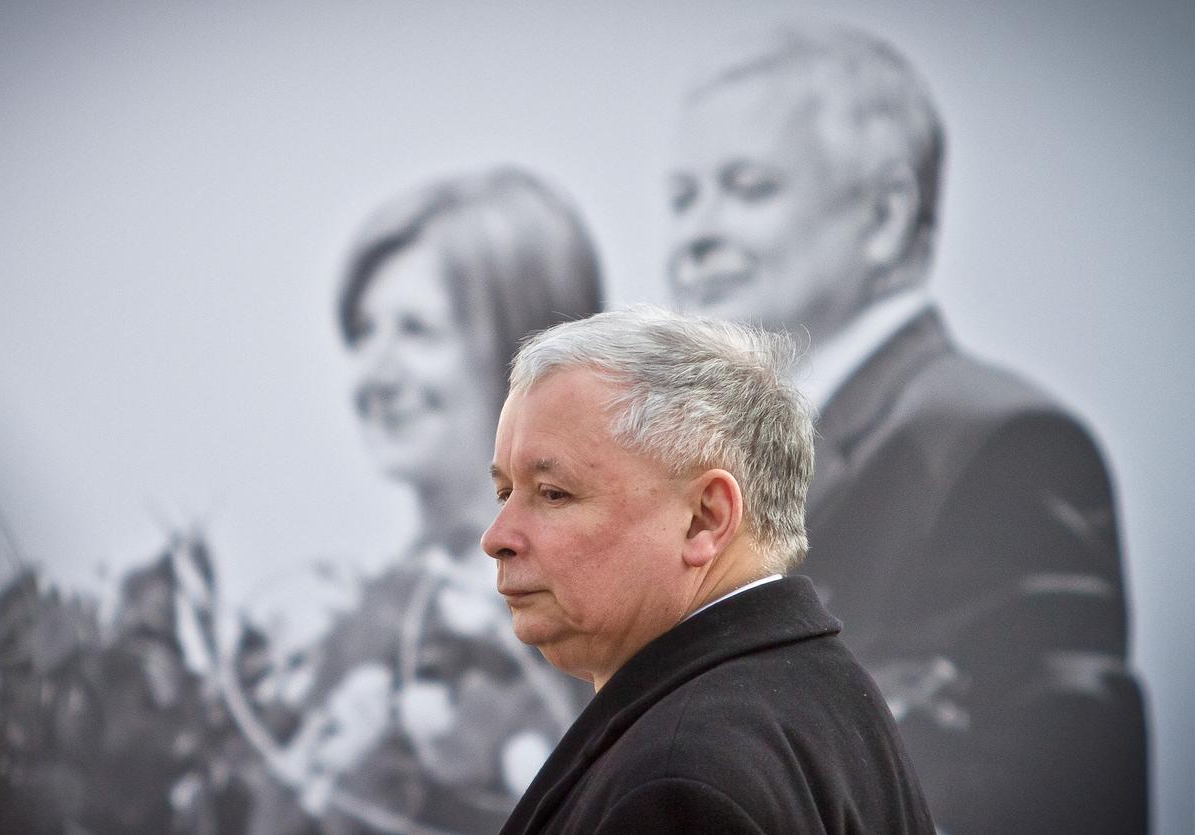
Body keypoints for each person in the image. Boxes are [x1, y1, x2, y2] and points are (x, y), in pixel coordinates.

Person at [665, 21, 1147, 833]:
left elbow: (1055, 805)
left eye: (747, 188)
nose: (695, 232)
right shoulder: (711, 461)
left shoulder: (1005, 447)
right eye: (683, 197)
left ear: (886, 214)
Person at [236, 167, 603, 834]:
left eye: (417, 332)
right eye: (365, 331)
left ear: (526, 349)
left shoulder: (603, 619)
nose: (373, 373)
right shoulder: (360, 615)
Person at [483, 305, 934, 834]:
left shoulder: (677, 784)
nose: (497, 539)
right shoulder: (821, 694)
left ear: (705, 519)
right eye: (504, 493)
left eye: (553, 494)